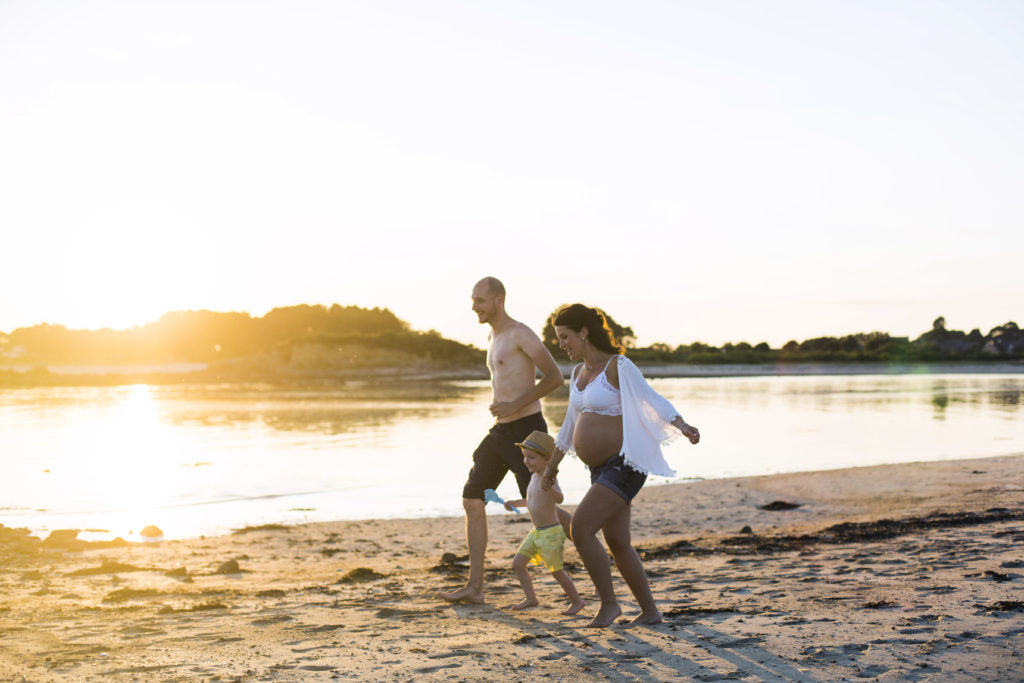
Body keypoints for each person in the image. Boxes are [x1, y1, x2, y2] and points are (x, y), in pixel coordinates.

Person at [541, 304, 700, 628]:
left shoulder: (617, 365)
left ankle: (610, 605)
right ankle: (651, 612)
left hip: (625, 464)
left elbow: (650, 397)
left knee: (581, 528)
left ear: (584, 332)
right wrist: (551, 466)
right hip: (599, 470)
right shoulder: (577, 374)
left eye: (565, 337)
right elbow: (570, 425)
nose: (562, 344)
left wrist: (681, 424)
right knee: (618, 541)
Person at [437, 277, 567, 604]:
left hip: (528, 431)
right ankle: (476, 588)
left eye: (480, 300)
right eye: (472, 300)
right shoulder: (492, 337)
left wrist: (515, 404)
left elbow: (555, 377)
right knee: (472, 498)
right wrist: (504, 407)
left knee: (544, 506)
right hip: (500, 433)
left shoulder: (520, 334)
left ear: (498, 299)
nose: (474, 306)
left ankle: (589, 533)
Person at [501, 429, 586, 615]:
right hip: (537, 532)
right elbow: (531, 501)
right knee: (518, 564)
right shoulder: (533, 477)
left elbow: (560, 499)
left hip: (551, 533)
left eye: (531, 457)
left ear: (547, 459)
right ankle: (531, 598)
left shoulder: (549, 478)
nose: (526, 461)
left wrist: (550, 490)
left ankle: (577, 601)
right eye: (525, 457)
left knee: (556, 571)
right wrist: (516, 503)